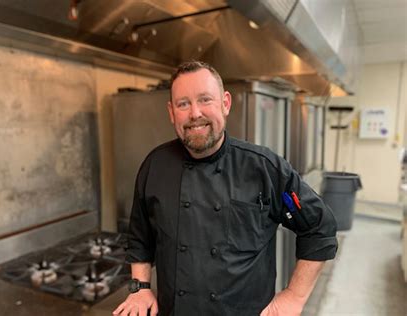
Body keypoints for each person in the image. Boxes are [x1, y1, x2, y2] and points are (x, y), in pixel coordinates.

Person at [113, 61, 338, 316]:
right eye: (183, 103)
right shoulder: (155, 166)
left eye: (205, 99)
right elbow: (140, 237)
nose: (194, 113)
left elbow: (319, 226)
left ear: (226, 103)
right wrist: (140, 287)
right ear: (171, 112)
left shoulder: (264, 169)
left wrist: (294, 297)